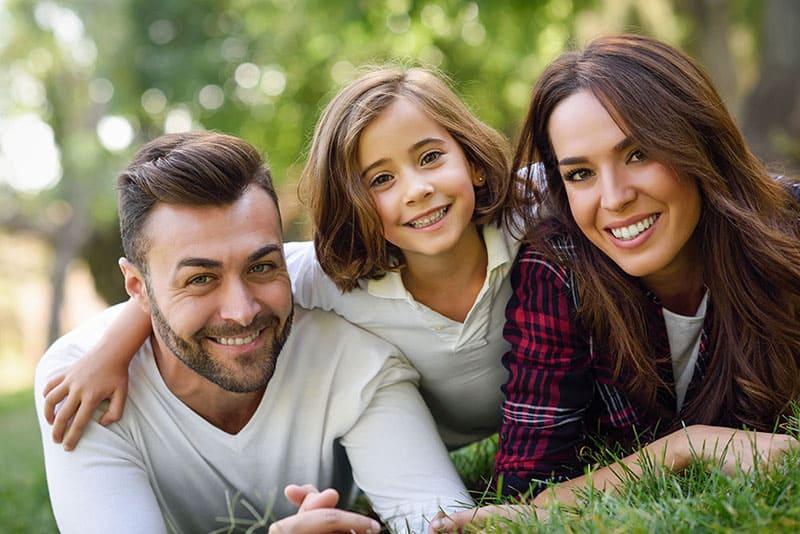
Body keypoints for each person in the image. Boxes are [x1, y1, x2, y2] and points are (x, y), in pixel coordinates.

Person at [41, 65, 523, 451]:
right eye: (380, 180)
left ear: (474, 162)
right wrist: (110, 353)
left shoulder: (533, 216)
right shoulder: (330, 278)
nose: (418, 190)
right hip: (417, 442)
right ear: (351, 202)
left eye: (430, 158)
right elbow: (201, 284)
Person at [430, 33, 800, 532]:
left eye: (638, 153)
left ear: (698, 140)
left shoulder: (787, 231)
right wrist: (682, 447)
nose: (615, 197)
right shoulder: (558, 271)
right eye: (580, 173)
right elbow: (526, 493)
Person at [34, 131, 471, 534]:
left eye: (261, 267)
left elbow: (441, 521)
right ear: (138, 289)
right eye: (200, 279)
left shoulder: (355, 360)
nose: (242, 312)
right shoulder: (80, 385)